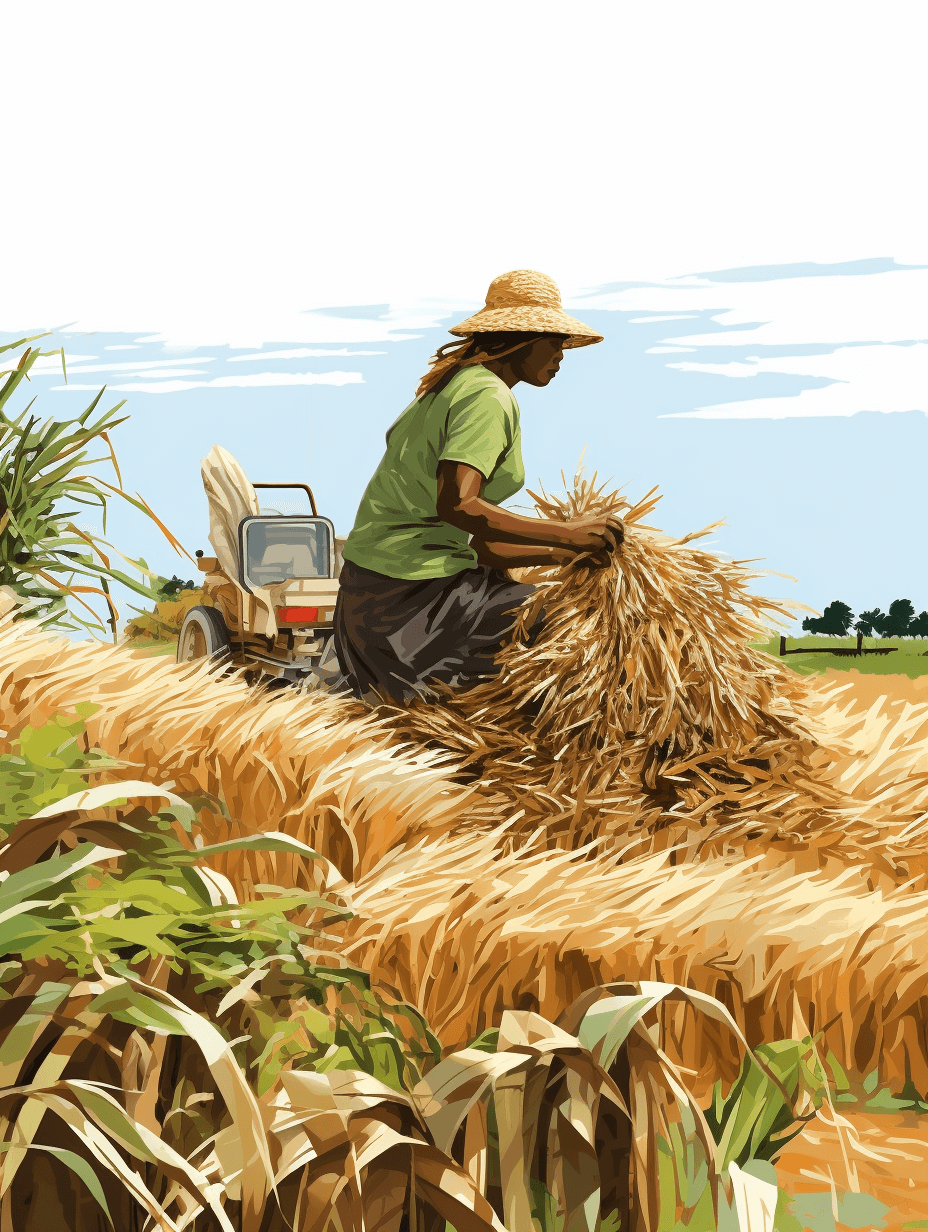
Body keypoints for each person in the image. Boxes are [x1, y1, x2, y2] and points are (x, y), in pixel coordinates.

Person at [333, 269, 624, 704]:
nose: (561, 355)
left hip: (368, 602)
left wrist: (563, 553)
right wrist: (569, 532)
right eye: (554, 340)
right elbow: (460, 506)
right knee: (578, 622)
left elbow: (477, 546)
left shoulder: (451, 387)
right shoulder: (487, 396)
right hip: (412, 608)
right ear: (520, 338)